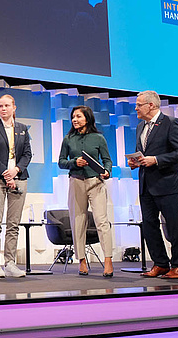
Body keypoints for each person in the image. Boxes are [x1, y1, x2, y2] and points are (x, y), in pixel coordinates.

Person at [128, 91, 178, 279]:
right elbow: (143, 152)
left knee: (173, 226)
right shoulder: (140, 127)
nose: (136, 108)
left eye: (139, 105)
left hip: (168, 183)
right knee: (149, 225)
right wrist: (136, 162)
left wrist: (156, 159)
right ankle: (161, 264)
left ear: (151, 106)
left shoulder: (171, 123)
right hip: (146, 184)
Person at [58, 105, 114, 277]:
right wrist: (74, 162)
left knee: (101, 221)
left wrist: (107, 171)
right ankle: (81, 260)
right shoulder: (68, 139)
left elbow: (107, 161)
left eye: (78, 116)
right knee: (78, 221)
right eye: (73, 117)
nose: (75, 119)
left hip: (95, 182)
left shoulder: (98, 138)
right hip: (76, 182)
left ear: (87, 119)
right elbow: (61, 162)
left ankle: (108, 260)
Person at [0, 94, 32, 278]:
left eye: (6, 105)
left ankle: (10, 262)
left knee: (13, 224)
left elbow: (27, 154)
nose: (3, 109)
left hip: (19, 177)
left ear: (14, 107)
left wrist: (17, 170)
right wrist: (6, 173)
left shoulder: (22, 129)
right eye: (0, 106)